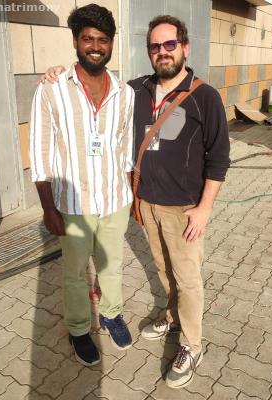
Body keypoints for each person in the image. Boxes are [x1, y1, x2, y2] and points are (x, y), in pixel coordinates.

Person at [41, 14, 230, 390]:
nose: (162, 52)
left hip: (183, 209)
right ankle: (171, 316)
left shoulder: (205, 97)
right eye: (155, 46)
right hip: (145, 204)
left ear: (185, 48)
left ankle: (192, 345)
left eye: (170, 45)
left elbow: (219, 158)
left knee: (188, 279)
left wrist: (205, 208)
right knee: (164, 270)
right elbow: (93, 81)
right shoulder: (135, 91)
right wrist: (56, 74)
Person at [29, 3, 134, 367]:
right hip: (72, 205)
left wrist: (129, 192)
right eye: (88, 38)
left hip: (114, 200)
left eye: (103, 40)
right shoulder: (51, 89)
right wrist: (48, 208)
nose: (95, 46)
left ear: (111, 44)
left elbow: (124, 148)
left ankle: (111, 313)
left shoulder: (125, 93)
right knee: (75, 274)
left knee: (112, 265)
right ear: (75, 41)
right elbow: (40, 152)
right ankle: (78, 328)